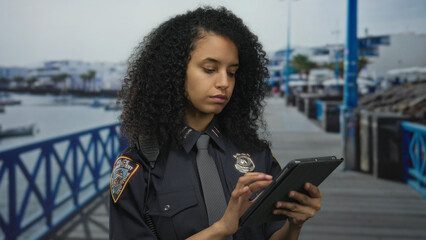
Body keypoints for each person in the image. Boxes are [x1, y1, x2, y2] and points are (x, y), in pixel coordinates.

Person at [109, 6, 322, 240]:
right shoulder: (138, 168)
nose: (224, 82)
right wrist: (221, 229)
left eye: (232, 72)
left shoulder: (257, 154)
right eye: (210, 69)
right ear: (174, 71)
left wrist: (294, 225)